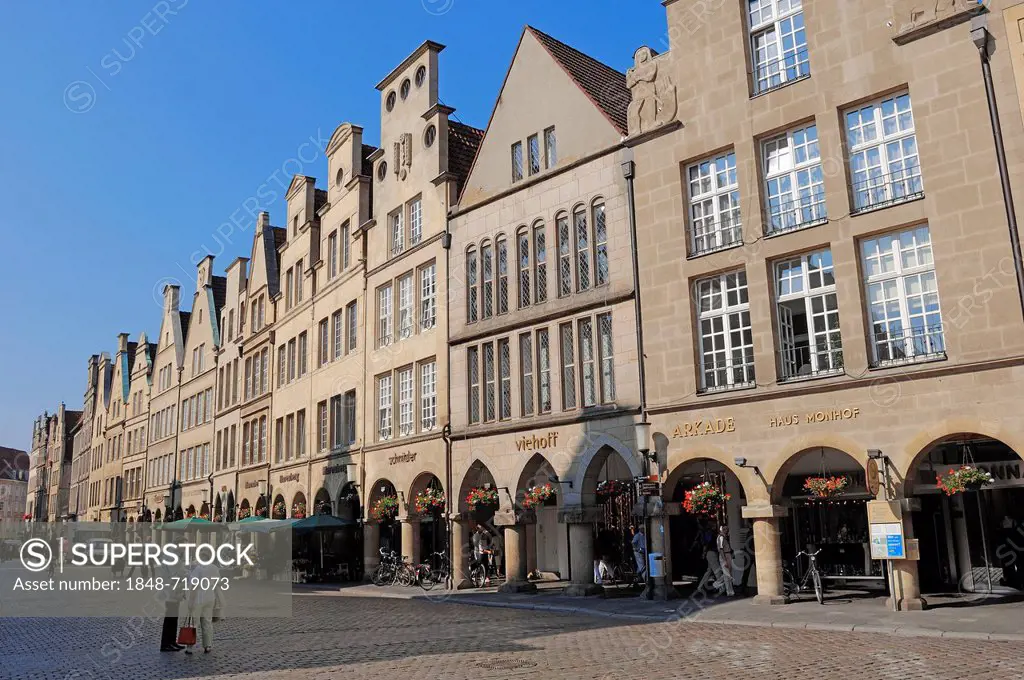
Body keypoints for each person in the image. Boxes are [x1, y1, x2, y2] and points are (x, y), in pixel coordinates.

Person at [185, 534, 221, 655]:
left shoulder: (198, 569)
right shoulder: (215, 568)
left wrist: (190, 601)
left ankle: (189, 647)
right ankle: (208, 645)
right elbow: (216, 585)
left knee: (193, 623)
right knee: (207, 622)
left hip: (198, 598)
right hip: (210, 597)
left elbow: (194, 586)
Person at [715, 524, 735, 597]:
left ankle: (729, 590)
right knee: (727, 574)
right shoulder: (721, 537)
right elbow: (720, 549)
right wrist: (724, 560)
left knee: (727, 573)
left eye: (727, 529)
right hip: (725, 556)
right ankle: (728, 590)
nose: (726, 531)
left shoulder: (725, 537)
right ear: (721, 529)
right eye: (725, 529)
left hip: (728, 555)